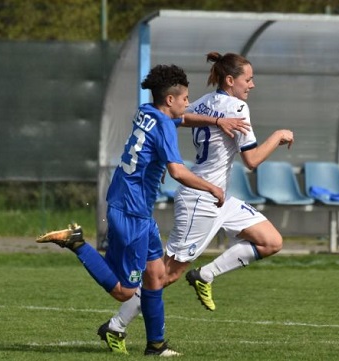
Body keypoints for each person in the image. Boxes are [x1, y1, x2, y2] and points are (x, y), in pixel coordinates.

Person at [95, 52, 294, 353]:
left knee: (270, 241)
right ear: (231, 80)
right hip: (202, 198)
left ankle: (205, 274)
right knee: (164, 275)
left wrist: (215, 120)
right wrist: (278, 135)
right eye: (248, 79)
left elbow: (181, 117)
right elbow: (252, 160)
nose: (252, 85)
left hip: (218, 196)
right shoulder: (239, 107)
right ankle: (116, 326)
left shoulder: (203, 102)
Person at [36, 64, 232, 357]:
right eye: (185, 98)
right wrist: (212, 188)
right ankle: (76, 242)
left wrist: (215, 123)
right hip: (131, 211)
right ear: (170, 100)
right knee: (124, 292)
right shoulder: (165, 124)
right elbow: (177, 171)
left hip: (131, 203)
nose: (188, 102)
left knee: (155, 276)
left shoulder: (147, 112)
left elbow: (183, 120)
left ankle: (155, 345)